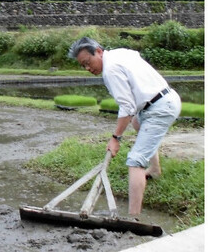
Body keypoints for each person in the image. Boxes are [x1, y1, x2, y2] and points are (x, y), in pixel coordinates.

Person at [68, 37, 181, 216]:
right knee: (137, 122)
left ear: (98, 51)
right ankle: (155, 170)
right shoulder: (119, 53)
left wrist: (116, 138)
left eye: (88, 63)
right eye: (83, 66)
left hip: (160, 108)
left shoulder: (110, 70)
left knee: (135, 160)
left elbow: (127, 107)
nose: (88, 69)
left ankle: (132, 217)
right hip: (163, 99)